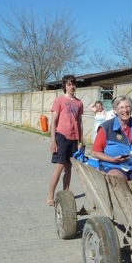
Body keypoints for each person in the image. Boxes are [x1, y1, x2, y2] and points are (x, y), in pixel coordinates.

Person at [47, 75, 84, 207]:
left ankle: (65, 194)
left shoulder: (79, 103)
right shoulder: (59, 101)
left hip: (74, 138)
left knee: (69, 168)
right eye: (69, 84)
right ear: (65, 86)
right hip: (61, 136)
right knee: (60, 166)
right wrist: (53, 141)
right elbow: (53, 122)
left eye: (73, 84)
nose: (72, 86)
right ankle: (51, 194)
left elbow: (80, 122)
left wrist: (81, 140)